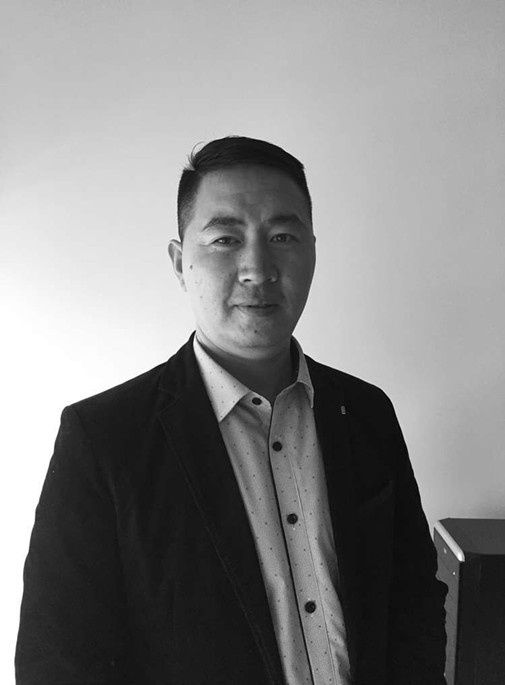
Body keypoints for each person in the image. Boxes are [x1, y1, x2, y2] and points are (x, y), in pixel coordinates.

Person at [15, 136, 447, 685]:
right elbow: (59, 659)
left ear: (313, 251)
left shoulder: (365, 412)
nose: (257, 270)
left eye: (283, 237)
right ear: (180, 262)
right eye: (225, 239)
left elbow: (413, 598)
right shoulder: (103, 439)